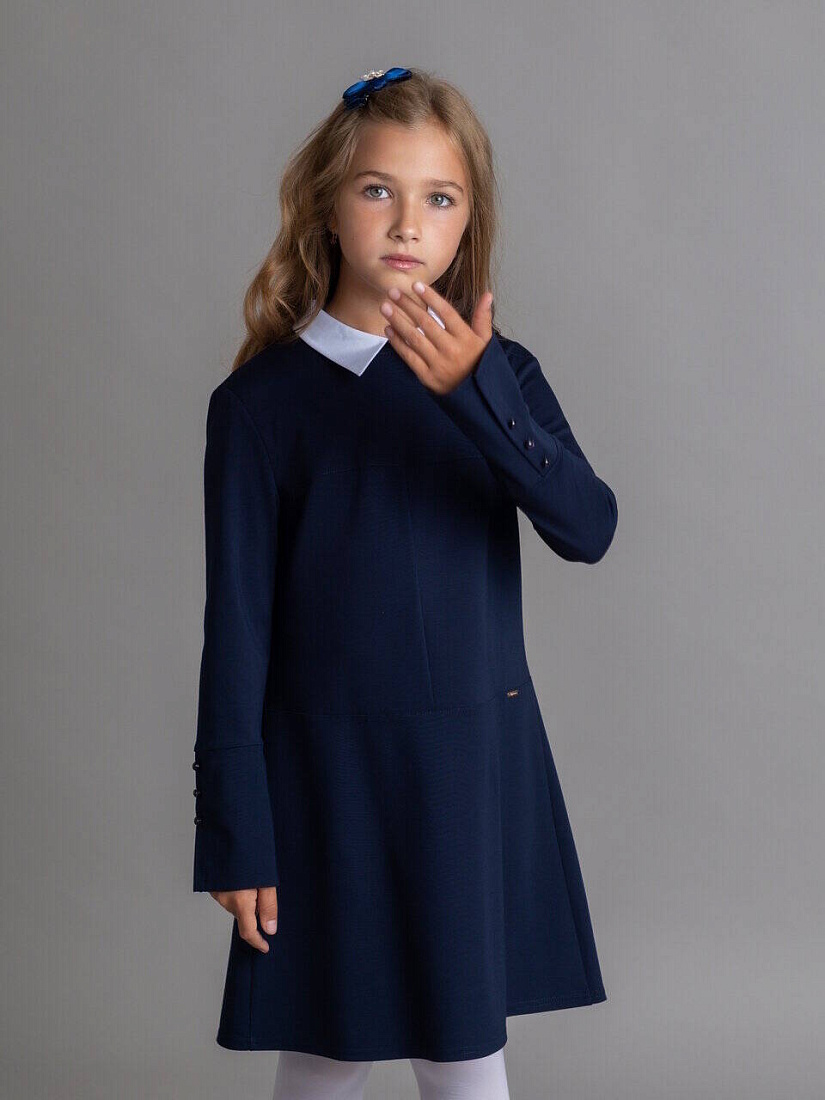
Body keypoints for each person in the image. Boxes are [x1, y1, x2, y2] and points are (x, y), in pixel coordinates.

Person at [192, 66, 618, 1099]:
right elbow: (237, 628)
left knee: (465, 1047)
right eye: (378, 189)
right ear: (328, 203)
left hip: (469, 769)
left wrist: (475, 393)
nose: (407, 223)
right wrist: (235, 832)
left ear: (468, 221)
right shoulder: (260, 405)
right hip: (324, 776)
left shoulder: (502, 374)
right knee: (327, 1046)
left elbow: (588, 527)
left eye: (440, 197)